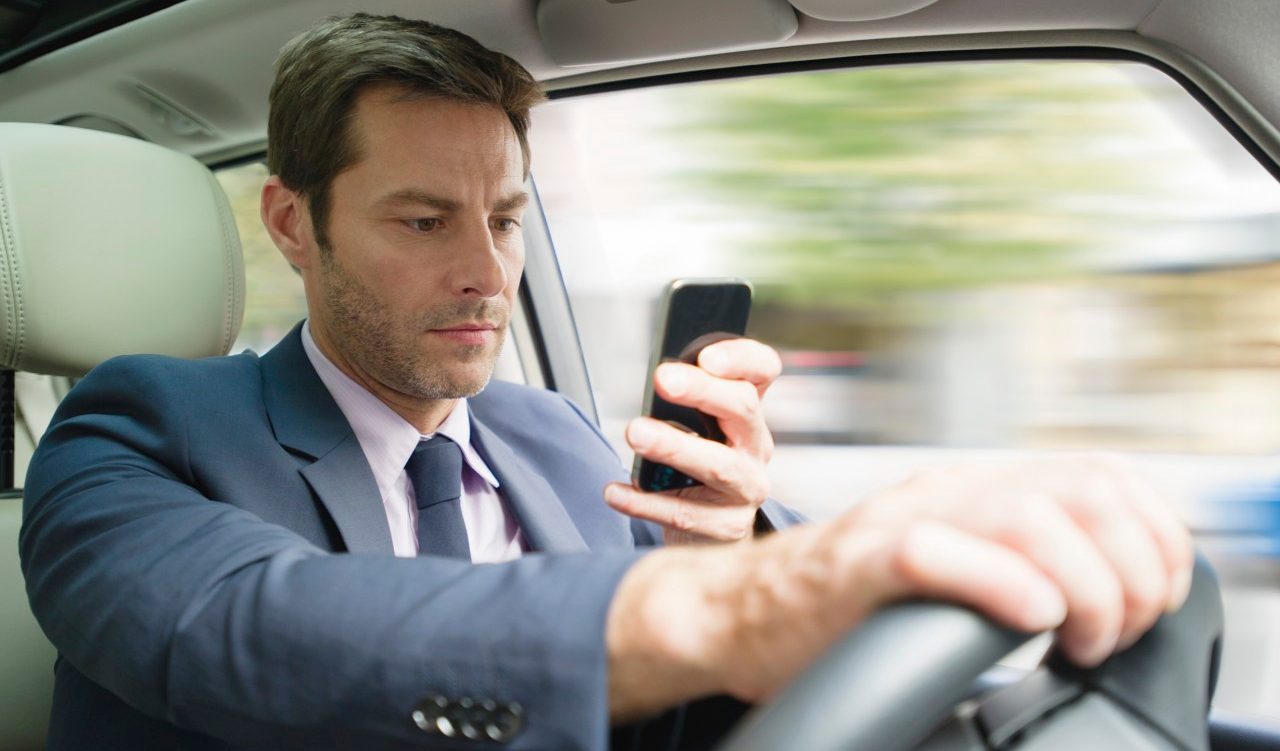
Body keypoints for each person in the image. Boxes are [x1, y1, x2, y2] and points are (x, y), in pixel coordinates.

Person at [19, 12, 1193, 751]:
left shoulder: (562, 435)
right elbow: (239, 629)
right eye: (424, 219)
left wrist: (721, 554)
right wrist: (739, 607)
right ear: (292, 222)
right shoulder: (130, 429)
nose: (484, 270)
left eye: (506, 217)